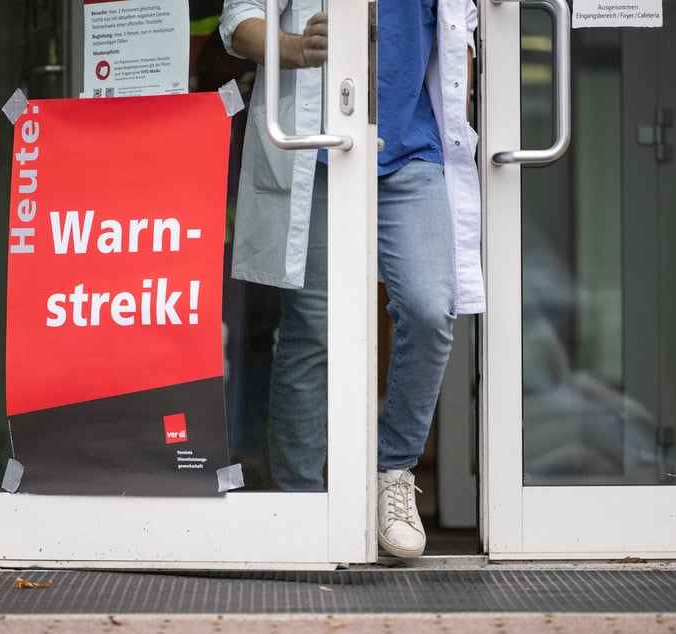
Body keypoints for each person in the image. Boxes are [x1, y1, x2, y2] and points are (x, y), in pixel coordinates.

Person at [219, 0, 483, 558]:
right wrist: (292, 48)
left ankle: (392, 470)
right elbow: (236, 22)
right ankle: (301, 506)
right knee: (313, 330)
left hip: (413, 147)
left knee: (430, 310)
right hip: (318, 148)